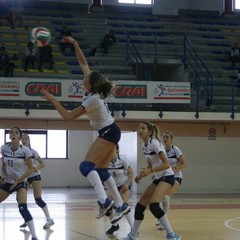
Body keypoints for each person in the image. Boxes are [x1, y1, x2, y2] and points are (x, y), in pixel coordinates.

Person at [40, 36, 130, 225]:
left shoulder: (92, 100)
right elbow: (83, 62)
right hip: (111, 131)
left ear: (90, 84)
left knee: (85, 167)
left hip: (108, 131)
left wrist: (53, 100)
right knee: (102, 171)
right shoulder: (92, 91)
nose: (84, 76)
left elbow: (68, 117)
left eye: (86, 78)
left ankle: (105, 201)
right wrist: (75, 44)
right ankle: (121, 205)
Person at [120, 122, 180, 240]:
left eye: (143, 128)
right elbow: (150, 165)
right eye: (139, 128)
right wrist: (141, 175)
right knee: (139, 207)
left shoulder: (155, 143)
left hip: (167, 177)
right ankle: (133, 235)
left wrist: (150, 171)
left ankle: (172, 235)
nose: (140, 130)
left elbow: (166, 164)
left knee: (154, 206)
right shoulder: (144, 145)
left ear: (150, 132)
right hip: (158, 178)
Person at [0, 127, 39, 240]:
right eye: (11, 132)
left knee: (22, 208)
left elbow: (30, 169)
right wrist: (4, 176)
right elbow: (3, 165)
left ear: (19, 137)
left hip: (21, 181)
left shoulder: (25, 150)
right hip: (9, 181)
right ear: (9, 136)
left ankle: (34, 236)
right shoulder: (4, 148)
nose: (13, 134)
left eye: (16, 133)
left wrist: (18, 180)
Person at [18, 133, 54, 230]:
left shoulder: (33, 152)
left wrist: (36, 167)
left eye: (26, 139)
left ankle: (49, 219)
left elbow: (43, 164)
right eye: (22, 139)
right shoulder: (20, 152)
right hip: (25, 177)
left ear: (29, 141)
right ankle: (26, 219)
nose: (24, 140)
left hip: (35, 176)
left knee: (38, 199)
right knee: (20, 199)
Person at [155, 130, 187, 230]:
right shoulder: (162, 150)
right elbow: (161, 164)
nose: (165, 139)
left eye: (167, 137)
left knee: (165, 196)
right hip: (166, 176)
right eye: (163, 137)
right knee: (159, 197)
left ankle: (163, 221)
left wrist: (175, 168)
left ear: (171, 139)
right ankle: (161, 217)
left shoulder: (176, 149)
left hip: (177, 177)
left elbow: (185, 164)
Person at [105, 144, 134, 235]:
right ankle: (115, 225)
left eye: (112, 149)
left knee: (123, 207)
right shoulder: (105, 162)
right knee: (106, 206)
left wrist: (127, 183)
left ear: (117, 150)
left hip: (123, 185)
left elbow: (131, 173)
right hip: (112, 187)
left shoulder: (122, 161)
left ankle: (134, 229)